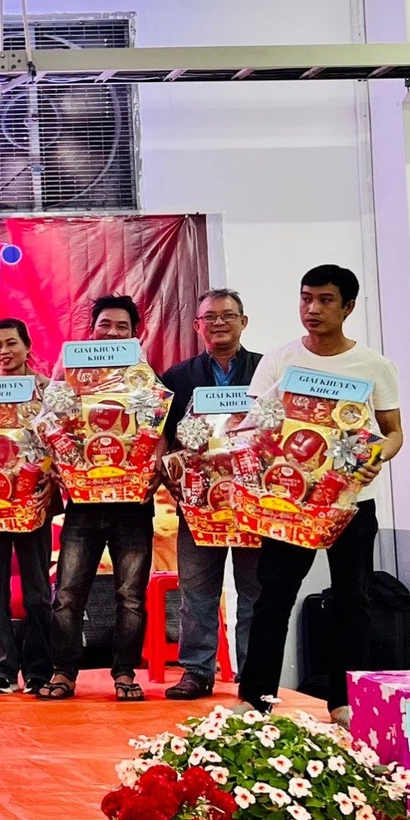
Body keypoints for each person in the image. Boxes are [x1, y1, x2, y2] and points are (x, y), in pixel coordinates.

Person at [237, 265, 404, 725]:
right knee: (273, 597)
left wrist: (378, 456)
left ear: (348, 307)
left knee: (353, 599)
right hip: (289, 503)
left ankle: (344, 702)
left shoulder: (373, 365)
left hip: (351, 503)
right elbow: (254, 424)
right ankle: (255, 698)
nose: (312, 309)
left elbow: (393, 432)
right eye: (306, 298)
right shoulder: (280, 360)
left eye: (325, 300)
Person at [41, 295, 159, 704]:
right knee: (68, 592)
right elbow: (50, 426)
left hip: (133, 505)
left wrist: (156, 470)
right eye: (104, 325)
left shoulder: (147, 381)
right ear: (91, 331)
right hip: (84, 503)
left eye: (121, 327)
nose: (112, 333)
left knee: (131, 596)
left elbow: (159, 432)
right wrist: (58, 465)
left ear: (134, 335)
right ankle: (63, 672)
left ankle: (125, 673)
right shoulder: (70, 375)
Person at [158, 289, 263, 702]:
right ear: (197, 326)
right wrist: (169, 473)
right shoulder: (178, 377)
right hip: (198, 504)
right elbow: (161, 433)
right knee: (197, 591)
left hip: (254, 504)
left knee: (255, 592)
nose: (219, 323)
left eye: (228, 315)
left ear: (243, 321)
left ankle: (254, 676)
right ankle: (197, 672)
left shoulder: (265, 371)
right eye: (210, 317)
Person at [0, 318, 56, 696]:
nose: (4, 351)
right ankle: (2, 669)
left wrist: (50, 475)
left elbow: (61, 440)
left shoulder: (49, 392)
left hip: (33, 503)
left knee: (37, 590)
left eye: (11, 343)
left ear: (27, 347)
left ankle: (39, 670)